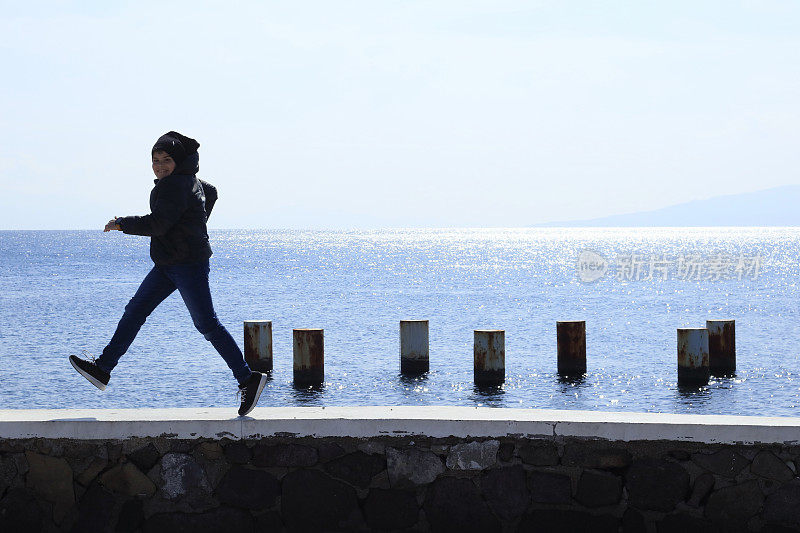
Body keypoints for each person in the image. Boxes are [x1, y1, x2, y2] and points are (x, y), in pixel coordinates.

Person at [69, 131, 267, 416]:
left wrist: (122, 223)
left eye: (166, 160)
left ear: (178, 161)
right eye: (155, 160)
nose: (160, 165)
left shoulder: (173, 186)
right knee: (136, 310)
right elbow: (210, 193)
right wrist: (194, 225)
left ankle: (248, 379)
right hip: (168, 263)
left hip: (187, 264)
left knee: (207, 325)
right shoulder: (190, 182)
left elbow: (158, 224)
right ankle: (103, 368)